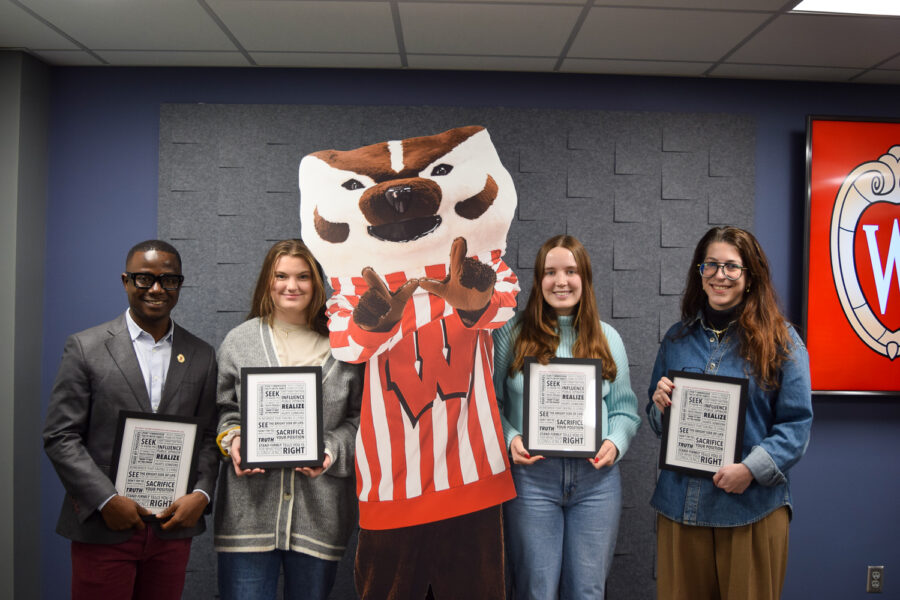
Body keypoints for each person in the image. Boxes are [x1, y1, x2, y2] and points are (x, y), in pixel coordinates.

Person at [43, 239, 218, 600]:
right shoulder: (86, 347)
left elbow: (208, 436)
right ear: (126, 281)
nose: (156, 289)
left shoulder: (201, 354)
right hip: (105, 525)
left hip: (172, 527)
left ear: (179, 285)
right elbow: (61, 436)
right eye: (144, 279)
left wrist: (201, 493)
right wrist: (107, 500)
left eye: (168, 280)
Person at [647, 226, 813, 600]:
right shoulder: (676, 338)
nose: (720, 275)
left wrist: (750, 470)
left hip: (750, 511)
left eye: (732, 267)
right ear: (700, 273)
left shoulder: (782, 342)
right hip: (681, 511)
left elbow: (797, 425)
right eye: (711, 266)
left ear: (750, 276)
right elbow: (658, 421)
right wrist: (659, 406)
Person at [493, 234, 641, 600]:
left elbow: (625, 409)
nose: (561, 281)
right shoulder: (510, 335)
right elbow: (490, 405)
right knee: (534, 590)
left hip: (597, 482)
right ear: (538, 280)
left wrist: (615, 442)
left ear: (585, 278)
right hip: (531, 481)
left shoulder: (608, 338)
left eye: (571, 271)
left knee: (588, 592)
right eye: (550, 272)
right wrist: (510, 436)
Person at [213, 239, 363, 600]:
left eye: (302, 277)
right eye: (281, 276)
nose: (291, 286)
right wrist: (234, 441)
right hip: (248, 514)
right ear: (268, 281)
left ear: (317, 283)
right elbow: (224, 411)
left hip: (319, 515)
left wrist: (328, 451)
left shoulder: (346, 346)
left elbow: (360, 420)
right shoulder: (240, 341)